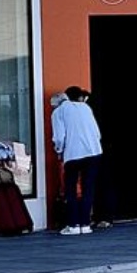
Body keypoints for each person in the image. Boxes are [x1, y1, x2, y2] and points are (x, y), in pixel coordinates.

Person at [49, 85, 104, 234]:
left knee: (70, 189)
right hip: (93, 152)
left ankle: (73, 225)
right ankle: (85, 224)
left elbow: (59, 137)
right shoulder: (86, 109)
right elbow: (97, 133)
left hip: (73, 154)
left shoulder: (58, 112)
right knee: (88, 188)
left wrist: (59, 151)